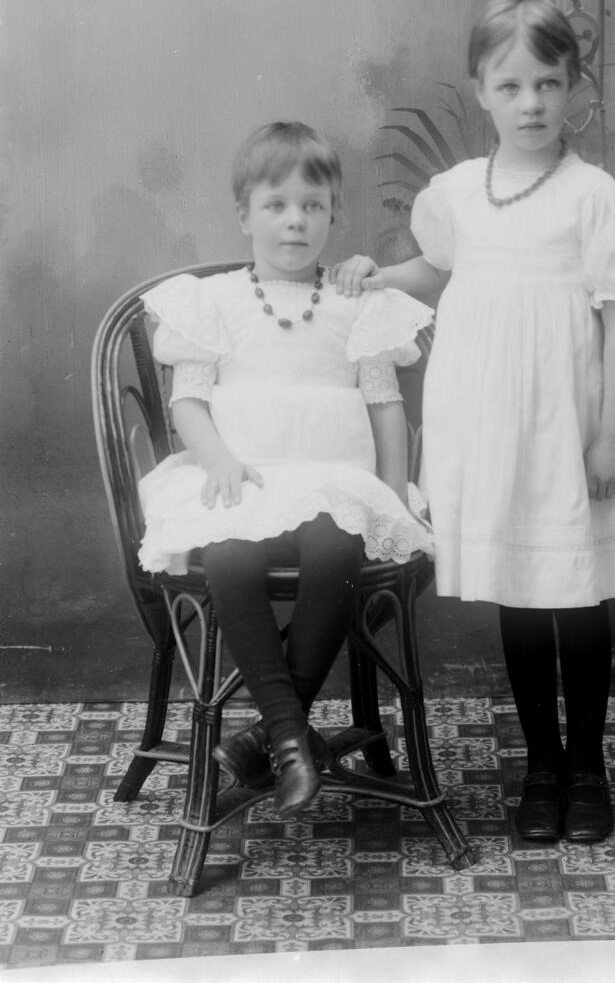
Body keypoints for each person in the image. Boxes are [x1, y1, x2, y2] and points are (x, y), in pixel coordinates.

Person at [333, 0, 615, 843]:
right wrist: (378, 276)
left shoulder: (592, 196)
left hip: (571, 416)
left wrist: (609, 434)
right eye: (510, 85)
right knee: (522, 593)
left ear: (573, 88)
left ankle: (586, 769)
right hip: (493, 418)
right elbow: (436, 268)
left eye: (548, 84)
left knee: (579, 594)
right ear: (481, 92)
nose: (530, 103)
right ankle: (540, 767)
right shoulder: (459, 193)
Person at [137, 121, 434, 819]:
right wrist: (217, 459)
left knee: (336, 548)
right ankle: (290, 736)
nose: (294, 221)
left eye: (311, 205)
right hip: (246, 481)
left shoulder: (355, 303)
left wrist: (391, 497)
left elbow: (385, 406)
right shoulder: (214, 302)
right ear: (244, 215)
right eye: (275, 205)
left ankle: (272, 736)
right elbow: (188, 401)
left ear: (333, 215)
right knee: (231, 557)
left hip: (335, 486)